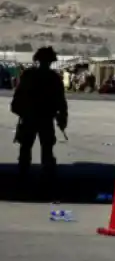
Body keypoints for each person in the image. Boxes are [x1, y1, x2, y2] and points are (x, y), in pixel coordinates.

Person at [11, 46, 68, 183]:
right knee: (45, 148)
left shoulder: (29, 75)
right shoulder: (53, 78)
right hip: (44, 118)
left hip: (31, 117)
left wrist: (20, 111)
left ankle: (24, 174)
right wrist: (62, 117)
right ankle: (45, 175)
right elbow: (61, 101)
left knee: (27, 147)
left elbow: (18, 96)